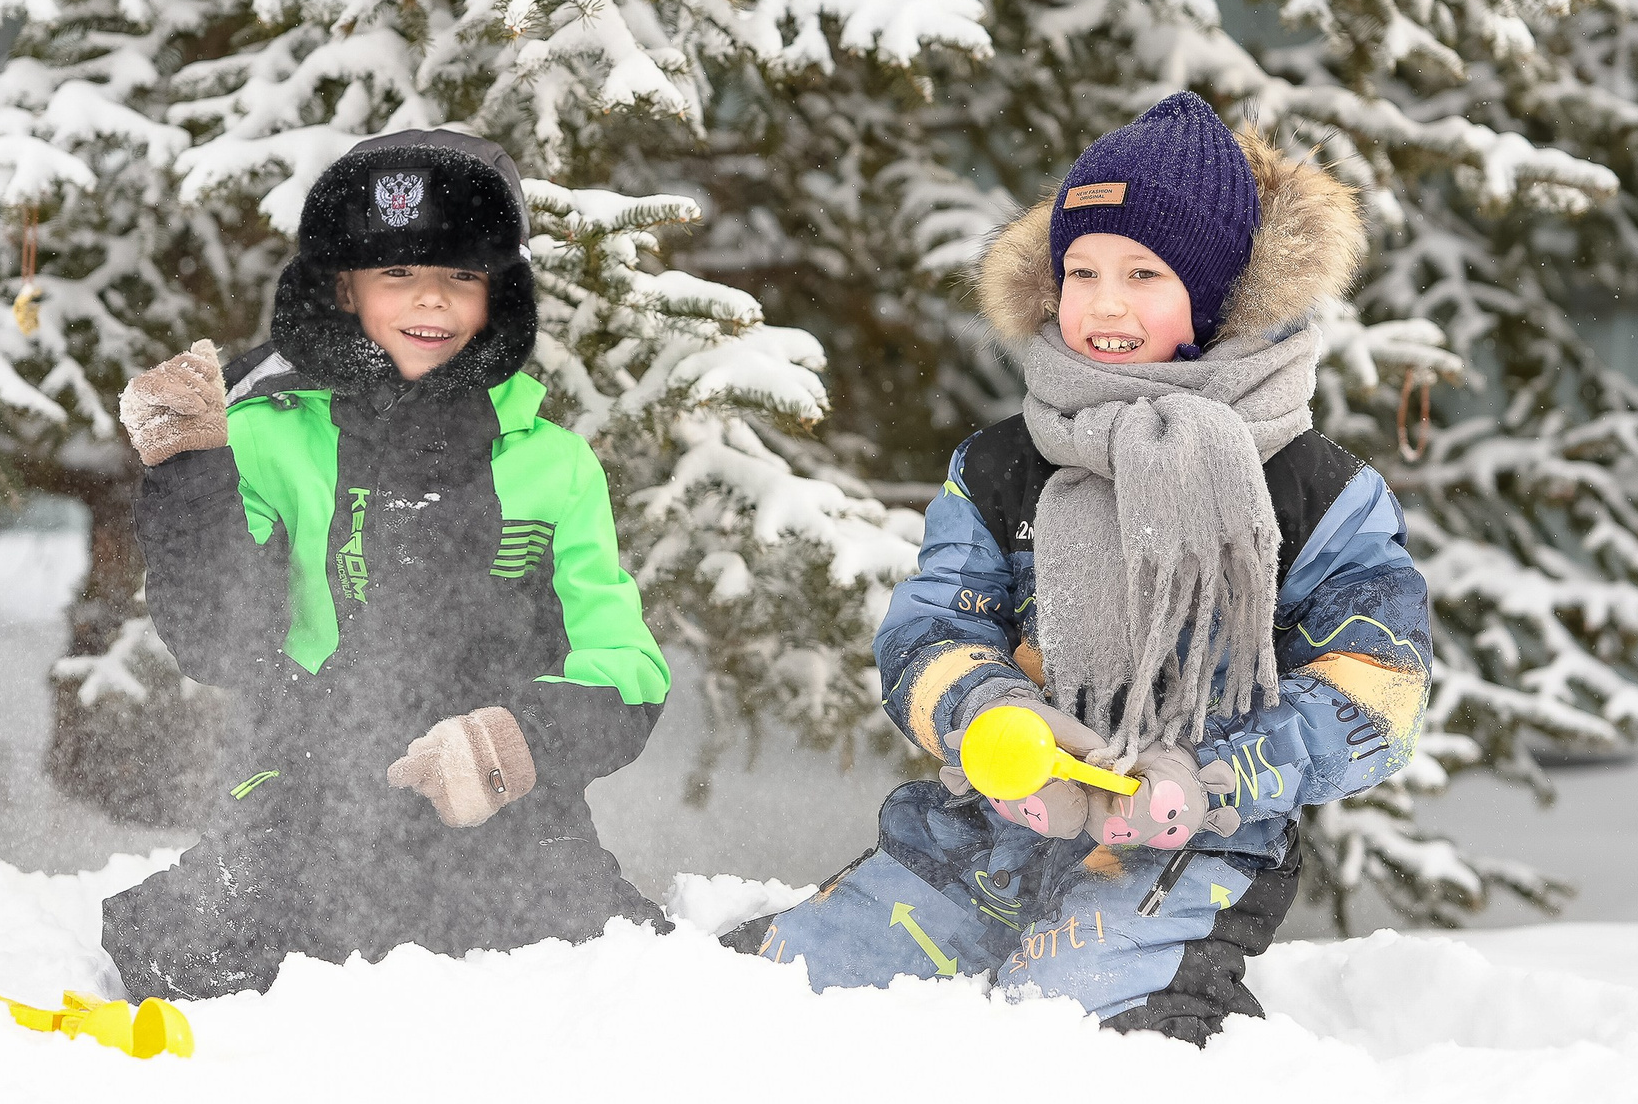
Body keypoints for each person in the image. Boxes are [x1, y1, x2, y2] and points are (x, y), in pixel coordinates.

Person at [732, 92, 1432, 1044]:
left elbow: (1380, 682)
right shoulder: (1002, 465)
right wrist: (991, 721)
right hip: (994, 825)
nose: (1104, 302)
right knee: (787, 985)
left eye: (1144, 274)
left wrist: (1216, 775)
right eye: (1082, 271)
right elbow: (931, 628)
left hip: (1188, 848)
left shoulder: (1313, 487)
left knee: (1072, 1018)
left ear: (1216, 295)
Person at [101, 129, 669, 998]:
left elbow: (628, 671)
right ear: (343, 286)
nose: (430, 299)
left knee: (621, 977)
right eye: (396, 272)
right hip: (304, 804)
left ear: (499, 291)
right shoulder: (264, 436)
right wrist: (190, 475)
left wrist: (511, 742)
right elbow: (221, 639)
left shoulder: (554, 465)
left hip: (507, 812)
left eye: (461, 275)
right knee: (190, 954)